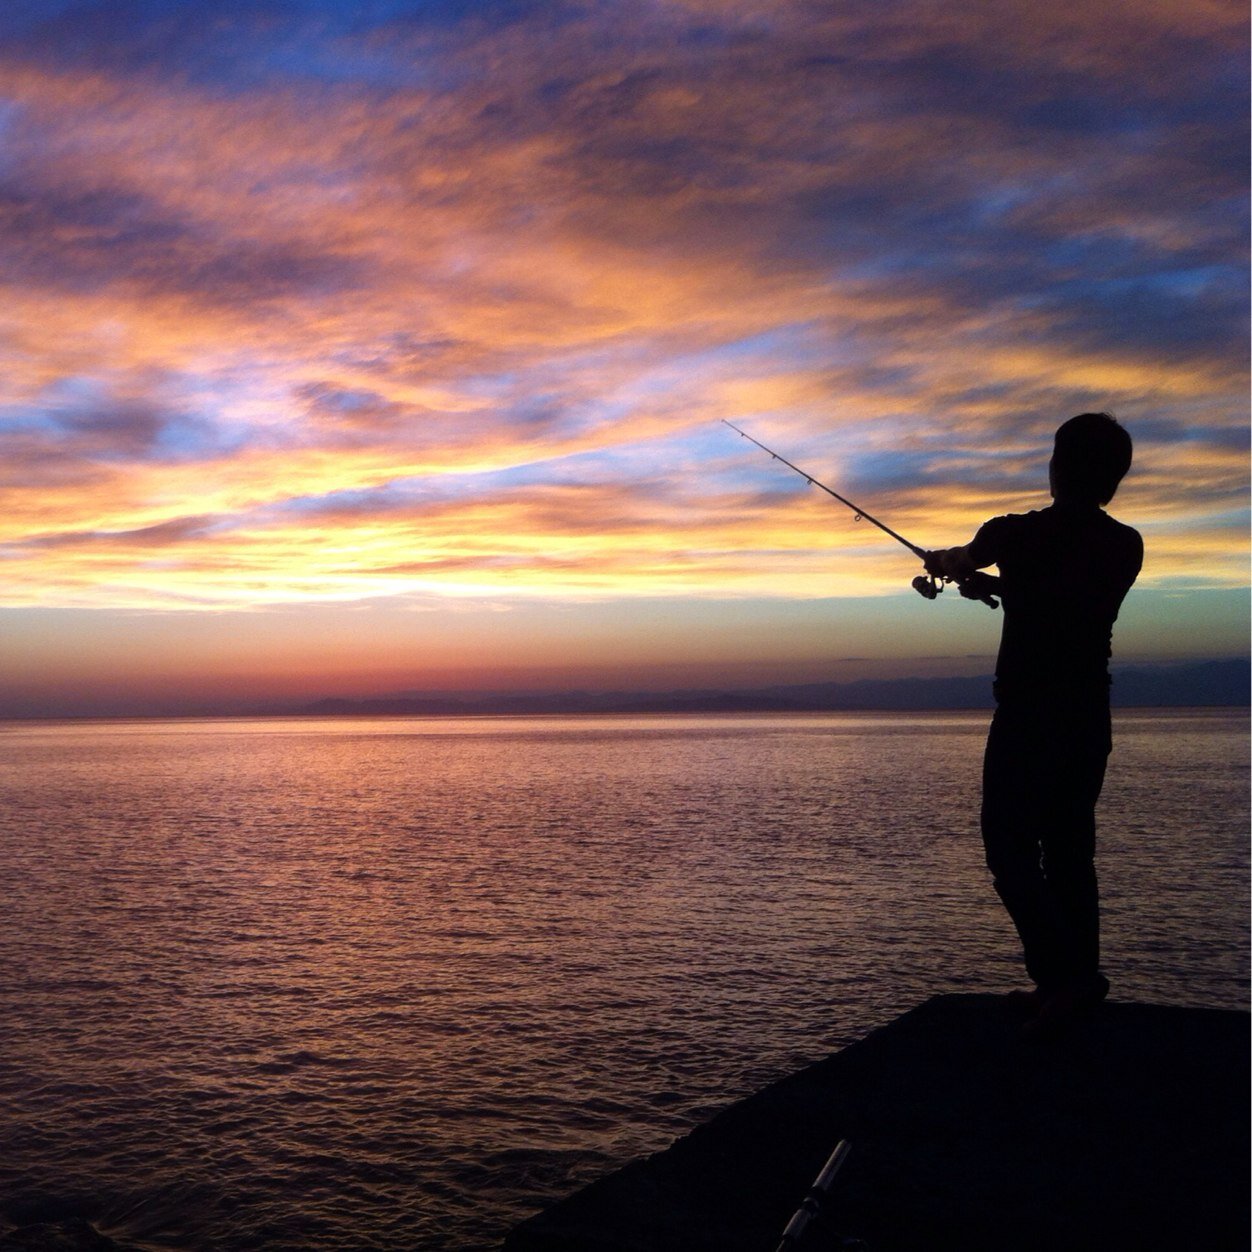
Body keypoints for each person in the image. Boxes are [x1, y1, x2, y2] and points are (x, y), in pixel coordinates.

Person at [924, 413, 1142, 1031]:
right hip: (1087, 714)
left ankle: (1062, 976)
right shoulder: (1125, 545)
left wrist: (956, 566)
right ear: (1113, 479)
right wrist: (996, 586)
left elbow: (959, 557)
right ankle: (1073, 985)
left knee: (1009, 848)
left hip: (1027, 715)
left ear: (1058, 466)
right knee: (1071, 851)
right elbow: (1061, 597)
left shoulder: (1011, 533)